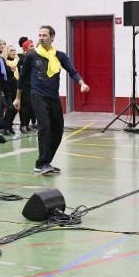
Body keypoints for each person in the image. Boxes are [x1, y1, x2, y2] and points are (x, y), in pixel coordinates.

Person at [14, 25, 89, 175]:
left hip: (53, 97)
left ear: (52, 37)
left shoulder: (59, 56)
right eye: (40, 35)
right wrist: (18, 98)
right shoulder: (31, 56)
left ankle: (46, 161)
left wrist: (82, 83)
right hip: (37, 96)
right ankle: (41, 163)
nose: (41, 38)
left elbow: (72, 71)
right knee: (45, 127)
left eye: (44, 35)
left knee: (58, 130)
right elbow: (22, 78)